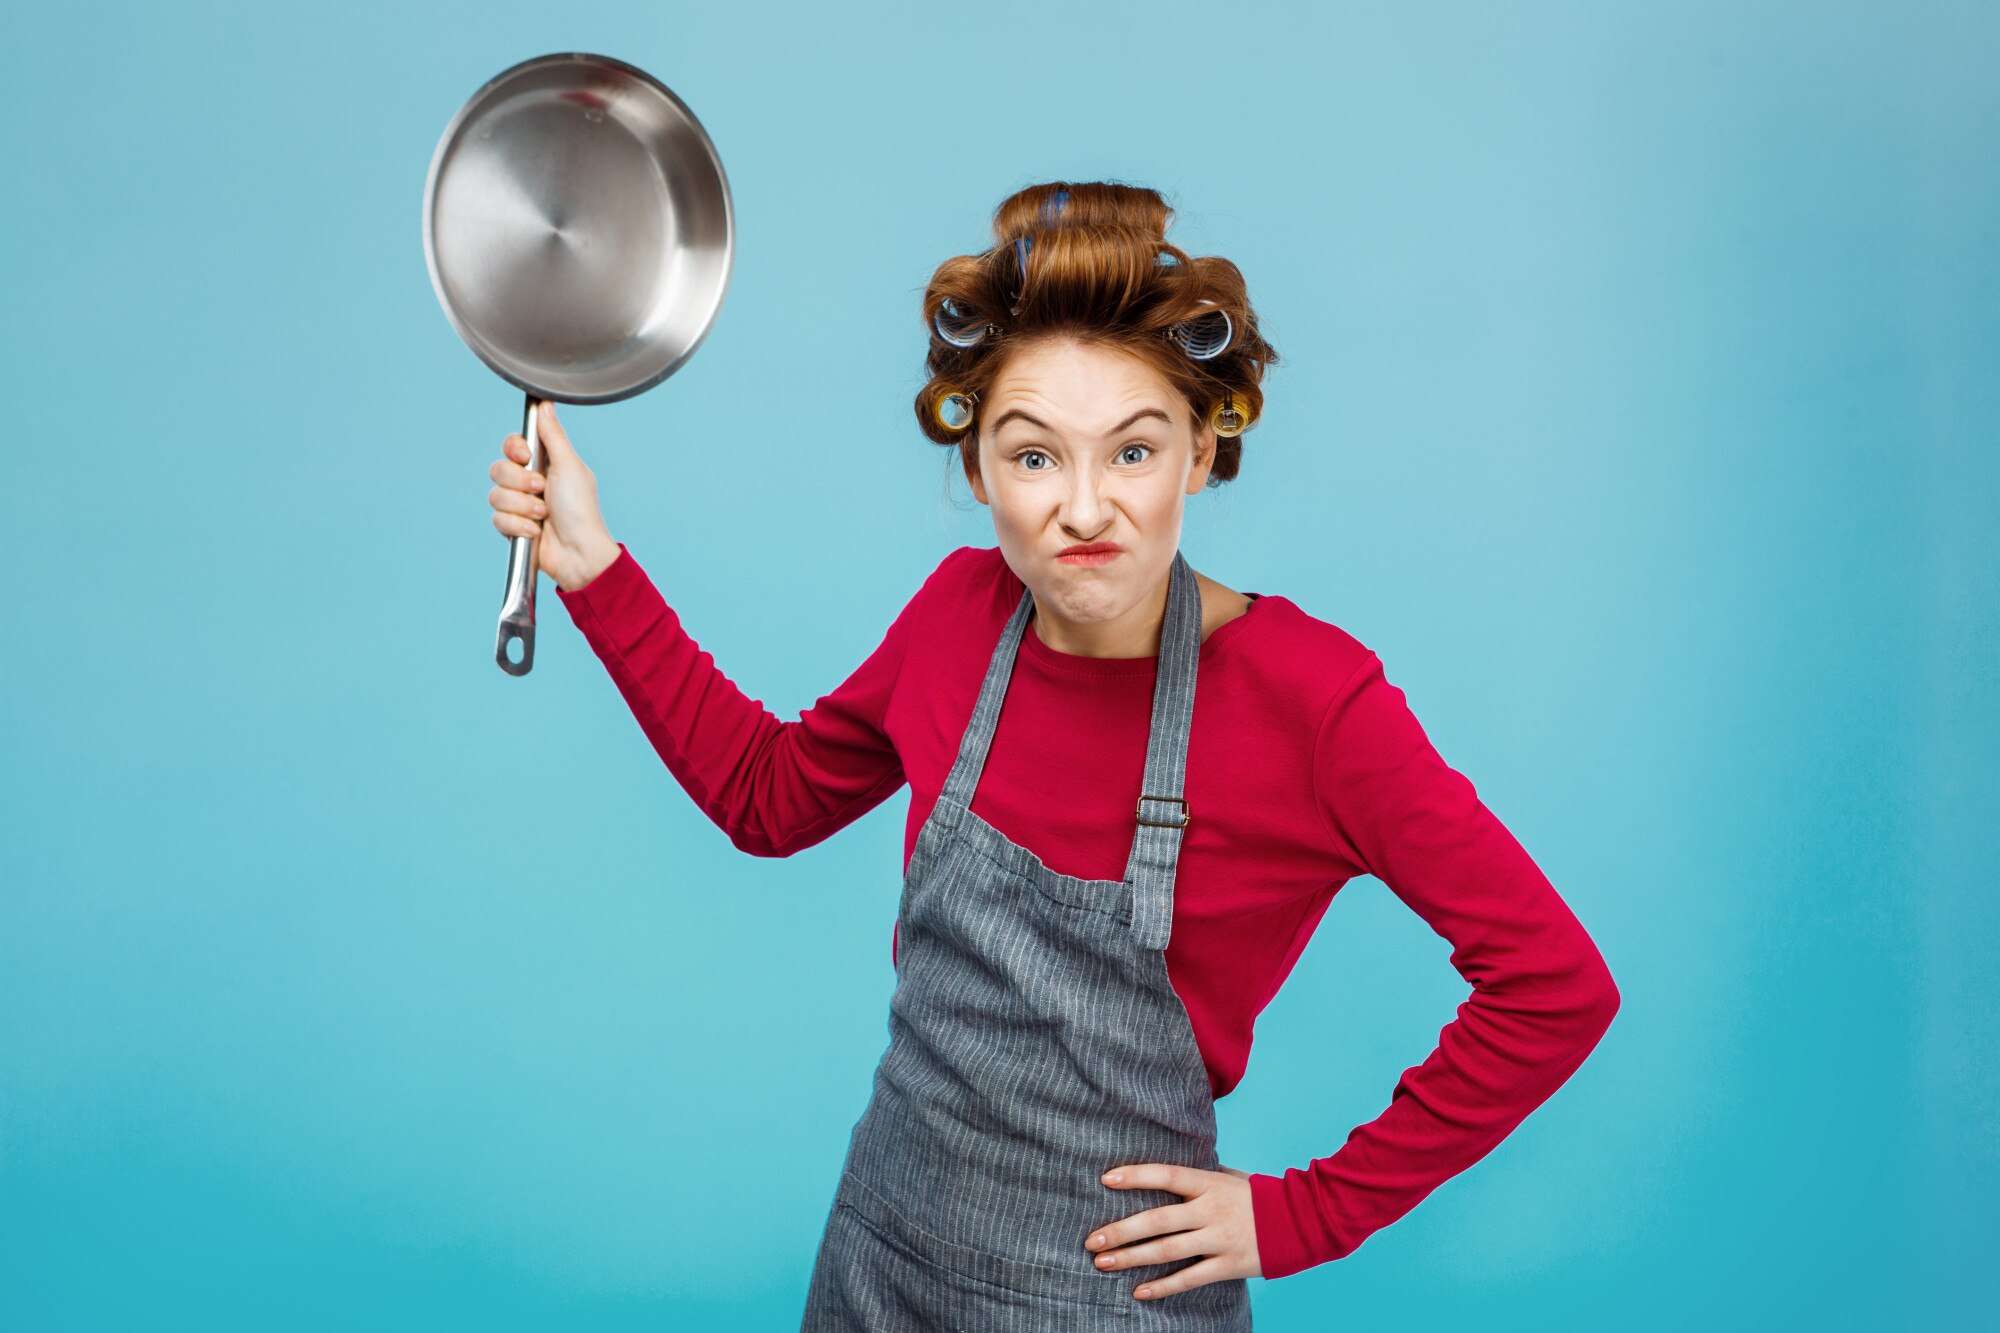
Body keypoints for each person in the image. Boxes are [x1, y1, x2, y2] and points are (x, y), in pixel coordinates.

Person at [484, 181, 1621, 1329]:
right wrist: (592, 565)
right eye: (1034, 457)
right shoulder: (955, 614)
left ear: (1198, 452)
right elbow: (766, 797)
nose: (1084, 509)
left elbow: (1552, 985)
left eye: (1132, 450)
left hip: (1110, 1299)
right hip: (877, 1253)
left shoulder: (1310, 701)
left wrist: (1302, 1215)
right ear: (977, 467)